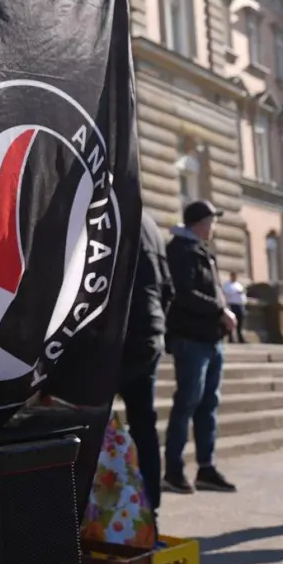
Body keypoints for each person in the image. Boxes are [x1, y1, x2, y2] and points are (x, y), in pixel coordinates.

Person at [162, 200, 239, 495]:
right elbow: (183, 293)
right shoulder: (181, 250)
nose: (214, 226)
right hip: (191, 339)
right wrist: (219, 311)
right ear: (199, 222)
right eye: (211, 220)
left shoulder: (201, 250)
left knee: (208, 406)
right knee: (187, 403)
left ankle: (206, 468)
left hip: (210, 338)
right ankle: (173, 471)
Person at [117, 209, 173, 537]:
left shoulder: (108, 205)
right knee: (144, 424)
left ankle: (88, 511)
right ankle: (150, 510)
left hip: (119, 334)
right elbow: (168, 285)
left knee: (88, 422)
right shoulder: (150, 221)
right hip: (150, 330)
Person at [223, 271, 248, 344]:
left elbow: (242, 293)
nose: (234, 277)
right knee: (231, 322)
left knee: (240, 321)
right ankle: (231, 338)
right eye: (233, 276)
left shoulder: (238, 284)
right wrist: (236, 292)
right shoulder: (227, 285)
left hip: (240, 304)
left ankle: (240, 338)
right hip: (232, 304)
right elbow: (227, 293)